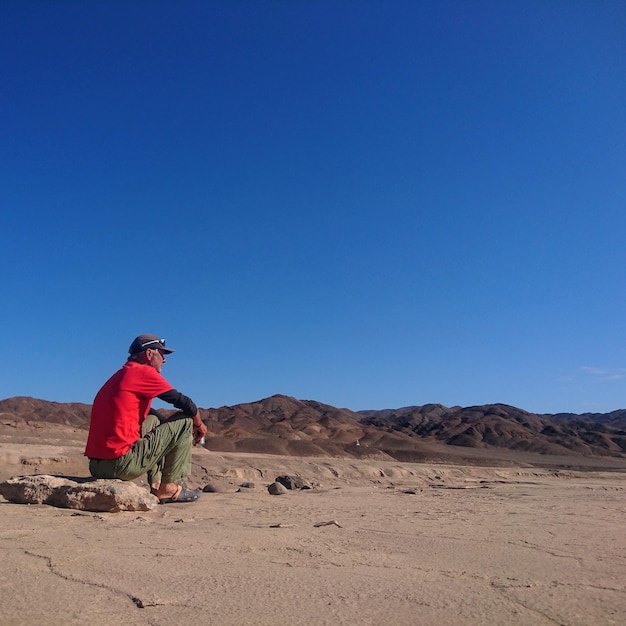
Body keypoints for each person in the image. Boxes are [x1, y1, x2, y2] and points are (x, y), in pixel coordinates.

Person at [84, 334, 208, 504]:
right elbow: (185, 403)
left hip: (97, 466)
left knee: (154, 420)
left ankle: (156, 483)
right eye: (162, 354)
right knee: (186, 420)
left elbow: (152, 415)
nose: (164, 360)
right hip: (120, 465)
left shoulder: (120, 375)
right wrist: (199, 425)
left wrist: (169, 434)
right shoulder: (142, 372)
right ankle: (168, 487)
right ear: (149, 354)